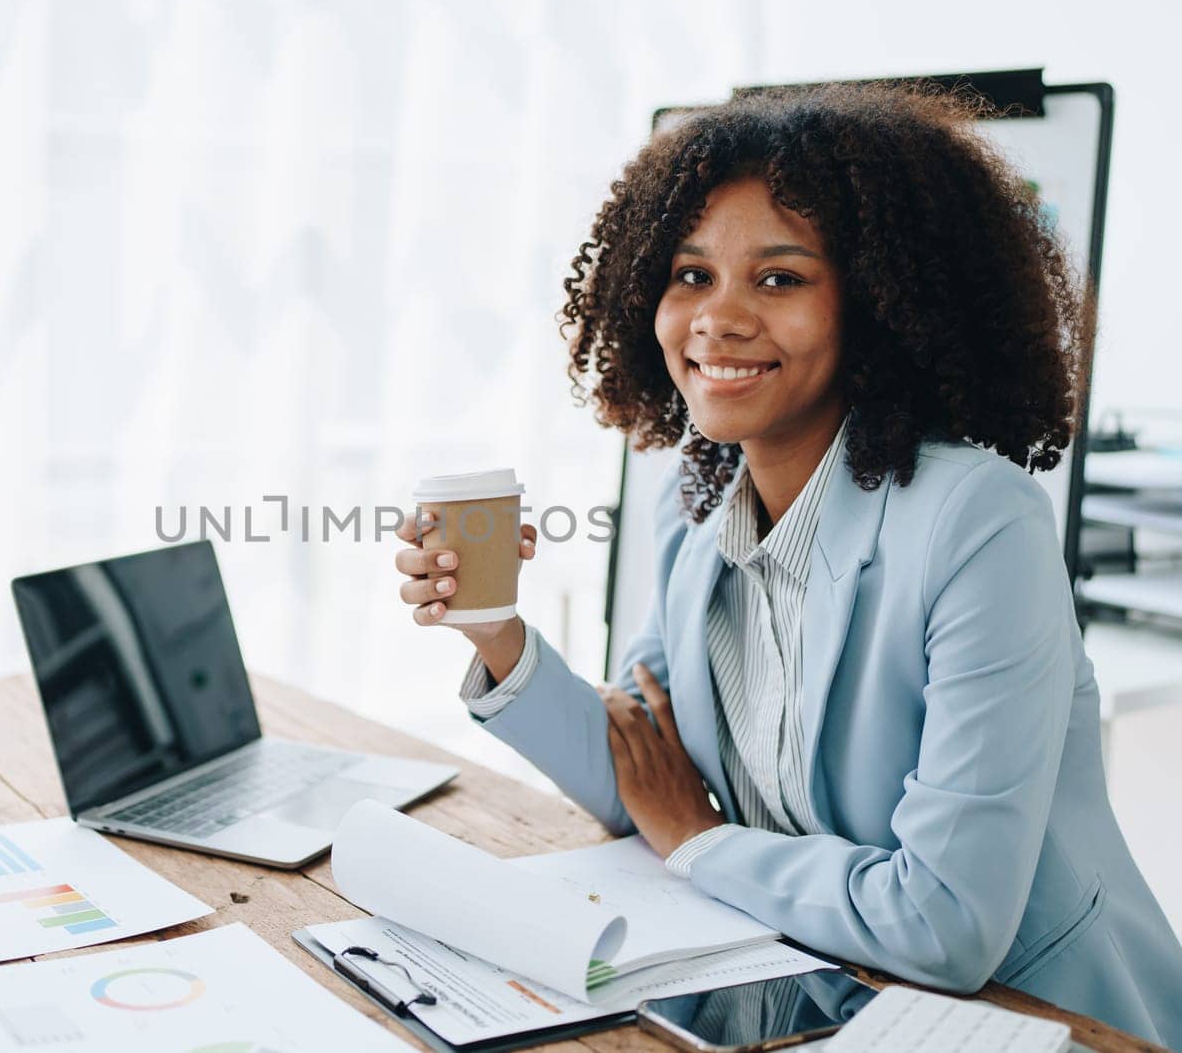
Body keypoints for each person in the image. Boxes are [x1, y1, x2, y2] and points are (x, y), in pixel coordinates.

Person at [392, 83, 1182, 1046]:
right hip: (830, 997)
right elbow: (641, 776)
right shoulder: (695, 521)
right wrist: (499, 635)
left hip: (1036, 1019)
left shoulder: (978, 524)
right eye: (690, 275)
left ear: (882, 307)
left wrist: (703, 842)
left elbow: (944, 923)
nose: (715, 320)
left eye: (778, 279)